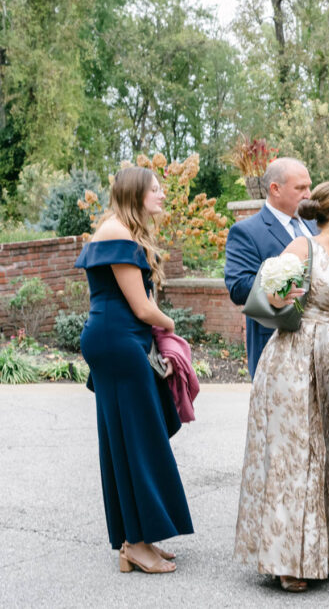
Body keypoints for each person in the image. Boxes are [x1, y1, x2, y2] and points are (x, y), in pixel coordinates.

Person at [234, 181, 329, 592]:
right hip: (297, 363)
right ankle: (290, 560)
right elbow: (265, 299)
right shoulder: (302, 249)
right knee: (298, 458)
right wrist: (281, 295)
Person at [74, 166, 193, 574]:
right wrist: (173, 329)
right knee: (133, 439)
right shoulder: (116, 233)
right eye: (155, 190)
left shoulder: (124, 231)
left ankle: (142, 537)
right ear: (134, 194)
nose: (162, 195)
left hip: (123, 340)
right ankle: (134, 543)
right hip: (117, 342)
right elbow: (142, 308)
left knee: (138, 436)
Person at [224, 157, 317, 377]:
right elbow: (238, 287)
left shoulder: (315, 225)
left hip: (319, 343)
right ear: (275, 189)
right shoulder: (247, 231)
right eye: (301, 188)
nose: (308, 194)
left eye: (309, 187)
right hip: (277, 342)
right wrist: (278, 286)